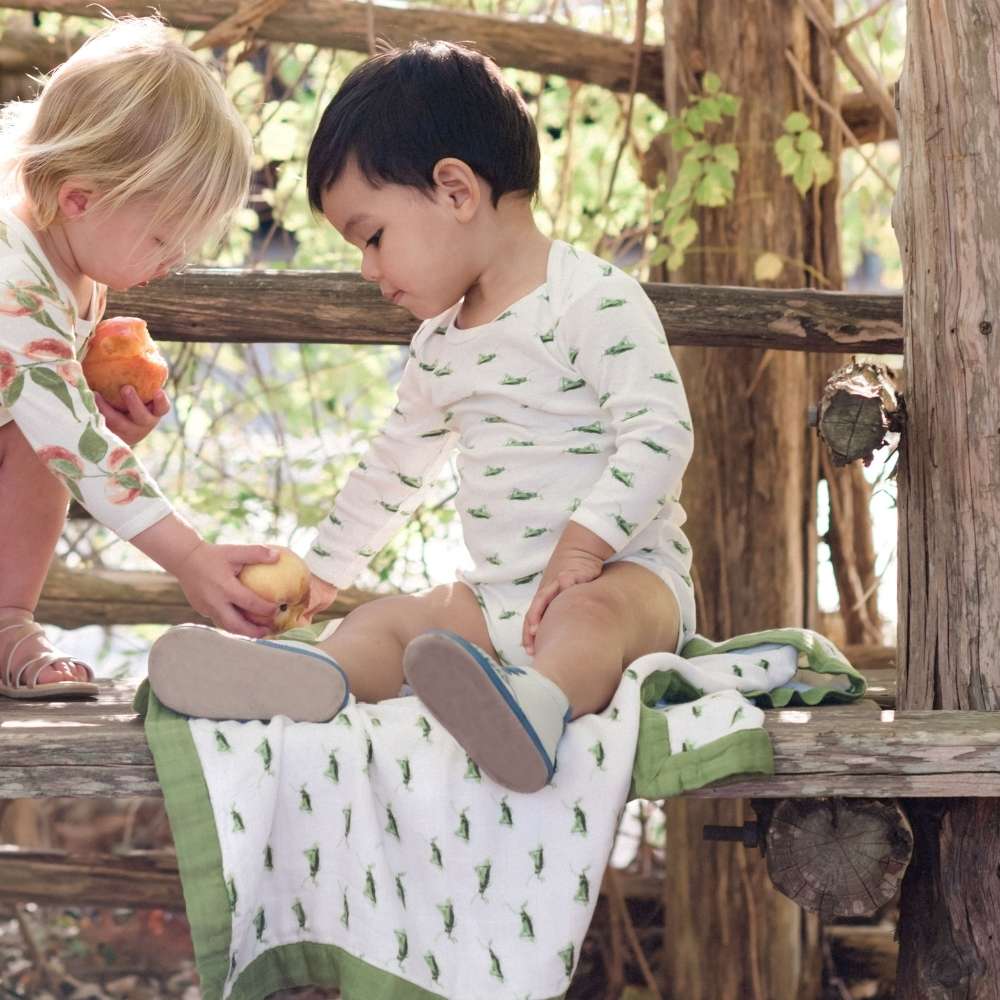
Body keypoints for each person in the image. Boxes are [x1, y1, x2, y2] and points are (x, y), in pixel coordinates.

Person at [150, 40, 696, 793]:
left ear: (455, 190)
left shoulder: (593, 299)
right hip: (500, 602)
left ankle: (535, 711)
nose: (369, 270)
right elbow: (393, 468)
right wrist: (324, 575)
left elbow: (660, 433)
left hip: (627, 580)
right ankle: (311, 673)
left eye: (373, 237)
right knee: (398, 622)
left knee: (593, 618)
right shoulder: (440, 348)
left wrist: (581, 550)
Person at [0, 17, 281, 700]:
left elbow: (54, 421)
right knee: (60, 440)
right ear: (79, 198)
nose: (176, 258)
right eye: (163, 236)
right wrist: (189, 557)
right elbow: (72, 438)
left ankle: (6, 623)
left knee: (44, 443)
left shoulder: (78, 276)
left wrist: (97, 416)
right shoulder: (12, 273)